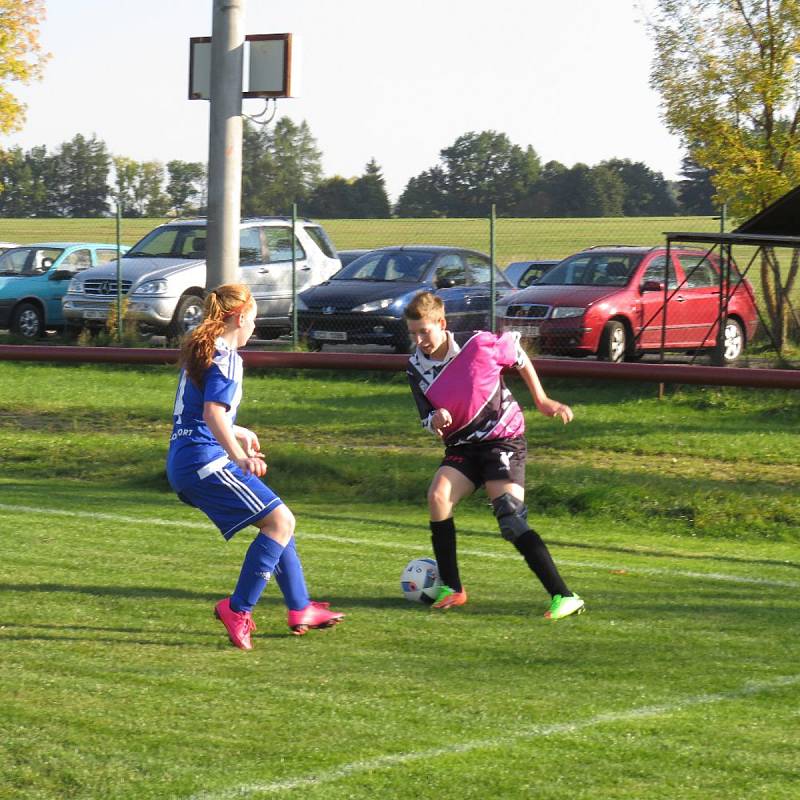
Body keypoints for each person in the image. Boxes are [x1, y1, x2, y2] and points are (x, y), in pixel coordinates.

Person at [166, 283, 344, 650]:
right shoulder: (226, 356)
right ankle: (237, 609)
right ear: (240, 317)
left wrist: (239, 432)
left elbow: (201, 414)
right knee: (281, 521)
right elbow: (213, 413)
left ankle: (300, 607)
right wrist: (238, 455)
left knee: (275, 522)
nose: (255, 329)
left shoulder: (205, 350)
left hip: (186, 460)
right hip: (204, 461)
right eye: (254, 320)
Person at [404, 291, 585, 620]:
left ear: (442, 324)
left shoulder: (477, 344)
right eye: (413, 333)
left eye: (424, 332)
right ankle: (453, 589)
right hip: (463, 447)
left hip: (503, 441)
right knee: (438, 496)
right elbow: (424, 417)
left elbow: (518, 355)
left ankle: (565, 595)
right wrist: (436, 420)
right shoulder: (415, 366)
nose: (419, 340)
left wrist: (543, 400)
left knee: (510, 518)